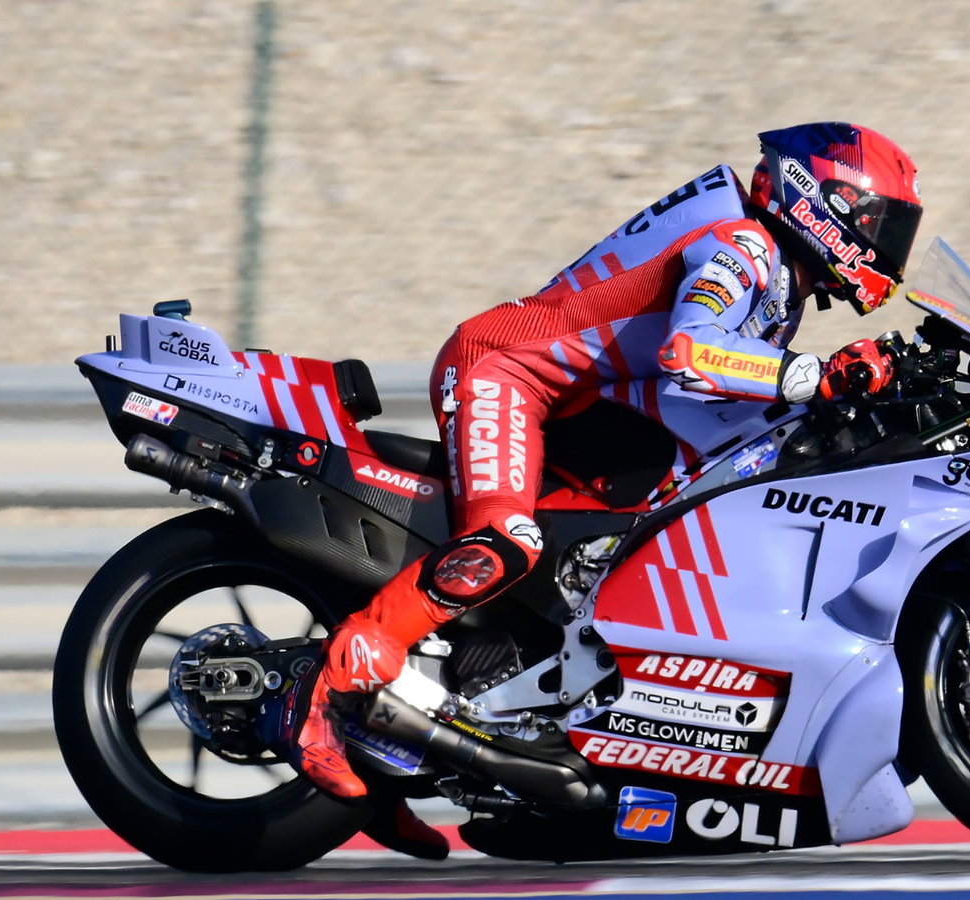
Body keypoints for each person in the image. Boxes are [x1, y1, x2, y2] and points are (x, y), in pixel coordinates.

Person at [289, 122, 924, 857]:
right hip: (505, 371)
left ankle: (407, 751)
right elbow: (691, 350)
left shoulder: (780, 276)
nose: (885, 245)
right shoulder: (743, 248)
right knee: (506, 542)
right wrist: (817, 375)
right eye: (879, 223)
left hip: (583, 400)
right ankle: (329, 694)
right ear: (824, 202)